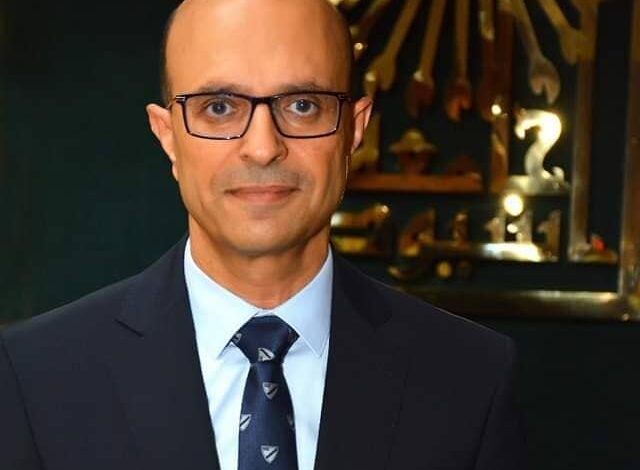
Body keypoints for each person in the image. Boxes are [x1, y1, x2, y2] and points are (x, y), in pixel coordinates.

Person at [0, 0, 527, 469]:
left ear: (355, 129)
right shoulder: (36, 376)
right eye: (219, 107)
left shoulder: (471, 378)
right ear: (167, 136)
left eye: (302, 105)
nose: (262, 147)